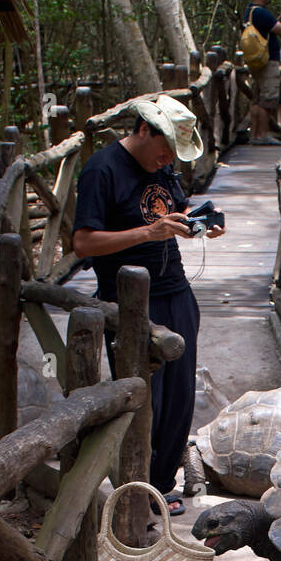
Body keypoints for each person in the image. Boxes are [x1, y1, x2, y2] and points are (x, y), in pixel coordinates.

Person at [72, 95, 226, 515]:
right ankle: (134, 488)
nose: (167, 160)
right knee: (142, 396)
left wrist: (199, 222)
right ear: (143, 129)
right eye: (164, 150)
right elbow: (83, 242)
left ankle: (161, 484)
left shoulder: (163, 168)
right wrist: (145, 233)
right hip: (129, 300)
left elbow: (173, 210)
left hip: (175, 289)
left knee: (179, 395)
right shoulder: (102, 169)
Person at [243, 0, 281, 145]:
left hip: (257, 61)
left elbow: (271, 24)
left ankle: (255, 134)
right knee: (267, 99)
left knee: (257, 98)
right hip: (267, 62)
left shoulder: (251, 11)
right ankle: (261, 135)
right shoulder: (261, 12)